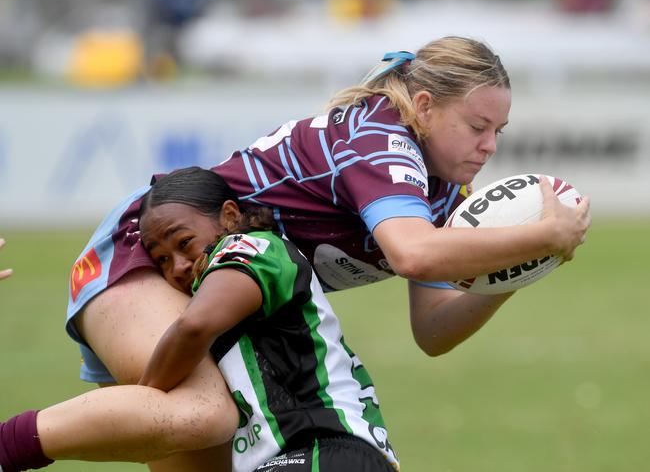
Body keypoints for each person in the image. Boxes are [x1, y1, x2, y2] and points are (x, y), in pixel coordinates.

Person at [7, 36, 591, 471]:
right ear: (425, 105)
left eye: (500, 132)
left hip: (214, 288)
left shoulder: (441, 192)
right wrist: (542, 235)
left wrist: (512, 270)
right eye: (477, 126)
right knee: (204, 415)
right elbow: (413, 253)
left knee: (202, 440)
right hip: (155, 244)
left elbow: (433, 331)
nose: (489, 147)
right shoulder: (379, 138)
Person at [0, 167, 398, 472]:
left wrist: (147, 396)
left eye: (183, 242)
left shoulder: (253, 248)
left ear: (228, 216)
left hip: (324, 448)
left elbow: (193, 327)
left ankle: (9, 447)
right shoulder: (210, 277)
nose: (177, 265)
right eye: (160, 259)